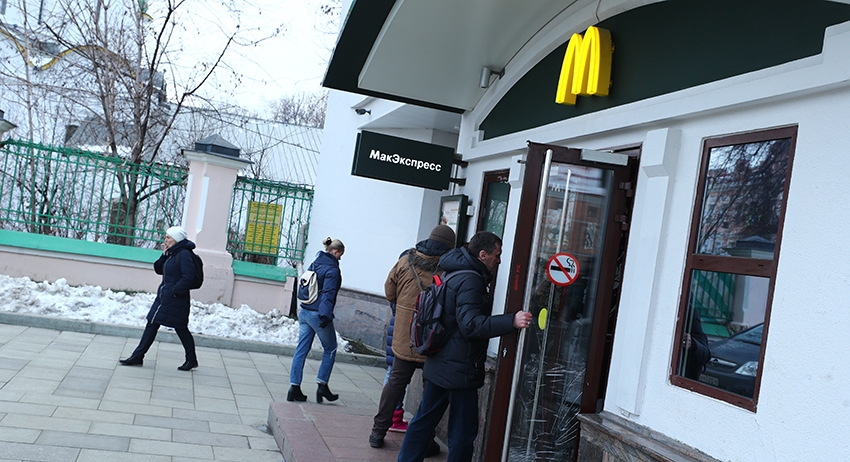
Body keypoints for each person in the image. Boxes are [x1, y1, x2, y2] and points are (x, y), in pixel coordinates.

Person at [397, 231, 533, 462]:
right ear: (483, 255)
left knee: (423, 420)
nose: (499, 260)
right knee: (462, 432)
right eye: (497, 255)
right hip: (459, 368)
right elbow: (470, 325)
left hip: (440, 361)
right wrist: (511, 321)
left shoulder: (455, 270)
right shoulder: (472, 280)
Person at [370, 225, 457, 455]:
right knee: (431, 394)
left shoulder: (406, 260)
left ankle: (377, 432)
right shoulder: (449, 269)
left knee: (395, 384)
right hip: (434, 341)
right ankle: (426, 441)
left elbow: (389, 292)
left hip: (405, 336)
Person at [119, 226, 199, 371]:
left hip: (175, 298)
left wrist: (175, 291)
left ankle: (191, 359)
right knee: (152, 322)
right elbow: (158, 269)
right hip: (164, 297)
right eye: (165, 237)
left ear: (176, 239)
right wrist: (164, 255)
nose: (165, 240)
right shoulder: (172, 253)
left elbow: (188, 276)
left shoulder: (184, 254)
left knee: (180, 328)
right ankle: (138, 356)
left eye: (168, 237)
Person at [287, 237, 345, 403]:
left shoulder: (315, 263)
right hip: (318, 314)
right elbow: (328, 294)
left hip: (305, 311)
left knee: (301, 350)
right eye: (340, 255)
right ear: (335, 252)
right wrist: (325, 316)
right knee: (330, 348)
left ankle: (294, 388)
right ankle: (322, 386)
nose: (340, 258)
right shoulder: (332, 270)